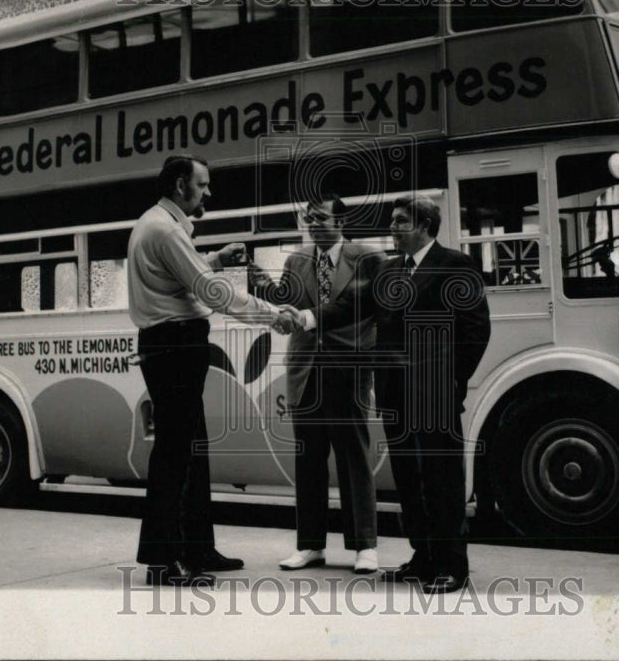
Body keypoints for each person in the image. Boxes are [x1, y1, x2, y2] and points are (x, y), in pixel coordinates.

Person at [285, 195, 490, 594]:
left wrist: (453, 381)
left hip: (434, 393)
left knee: (441, 477)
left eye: (400, 221)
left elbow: (475, 330)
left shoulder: (454, 265)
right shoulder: (390, 270)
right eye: (392, 221)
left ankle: (453, 565)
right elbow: (350, 305)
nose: (392, 228)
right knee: (409, 479)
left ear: (425, 226)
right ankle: (423, 556)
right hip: (395, 392)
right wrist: (308, 316)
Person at [128, 154, 295, 587]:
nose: (208, 193)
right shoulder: (165, 229)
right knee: (175, 454)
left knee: (191, 449)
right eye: (202, 185)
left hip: (172, 345)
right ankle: (164, 563)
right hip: (174, 346)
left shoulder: (160, 224)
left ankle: (197, 548)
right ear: (181, 185)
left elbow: (186, 275)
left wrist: (215, 259)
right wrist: (271, 314)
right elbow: (212, 292)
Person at [252, 193, 381, 574]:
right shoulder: (297, 260)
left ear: (340, 222)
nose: (312, 224)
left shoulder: (367, 257)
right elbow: (290, 307)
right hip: (306, 367)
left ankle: (365, 547)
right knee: (308, 459)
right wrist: (265, 290)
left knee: (353, 457)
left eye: (320, 218)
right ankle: (310, 545)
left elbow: (365, 307)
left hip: (348, 367)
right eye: (309, 218)